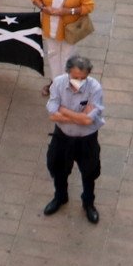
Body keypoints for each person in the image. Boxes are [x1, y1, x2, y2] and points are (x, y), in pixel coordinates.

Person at [44, 52, 105, 220]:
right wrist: (77, 116)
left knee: (89, 171)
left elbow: (88, 120)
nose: (78, 81)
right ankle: (60, 197)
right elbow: (52, 113)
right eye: (75, 77)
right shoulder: (58, 83)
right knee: (58, 168)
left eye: (82, 78)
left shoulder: (95, 88)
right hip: (62, 137)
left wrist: (63, 111)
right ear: (68, 72)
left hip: (87, 140)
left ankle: (88, 203)